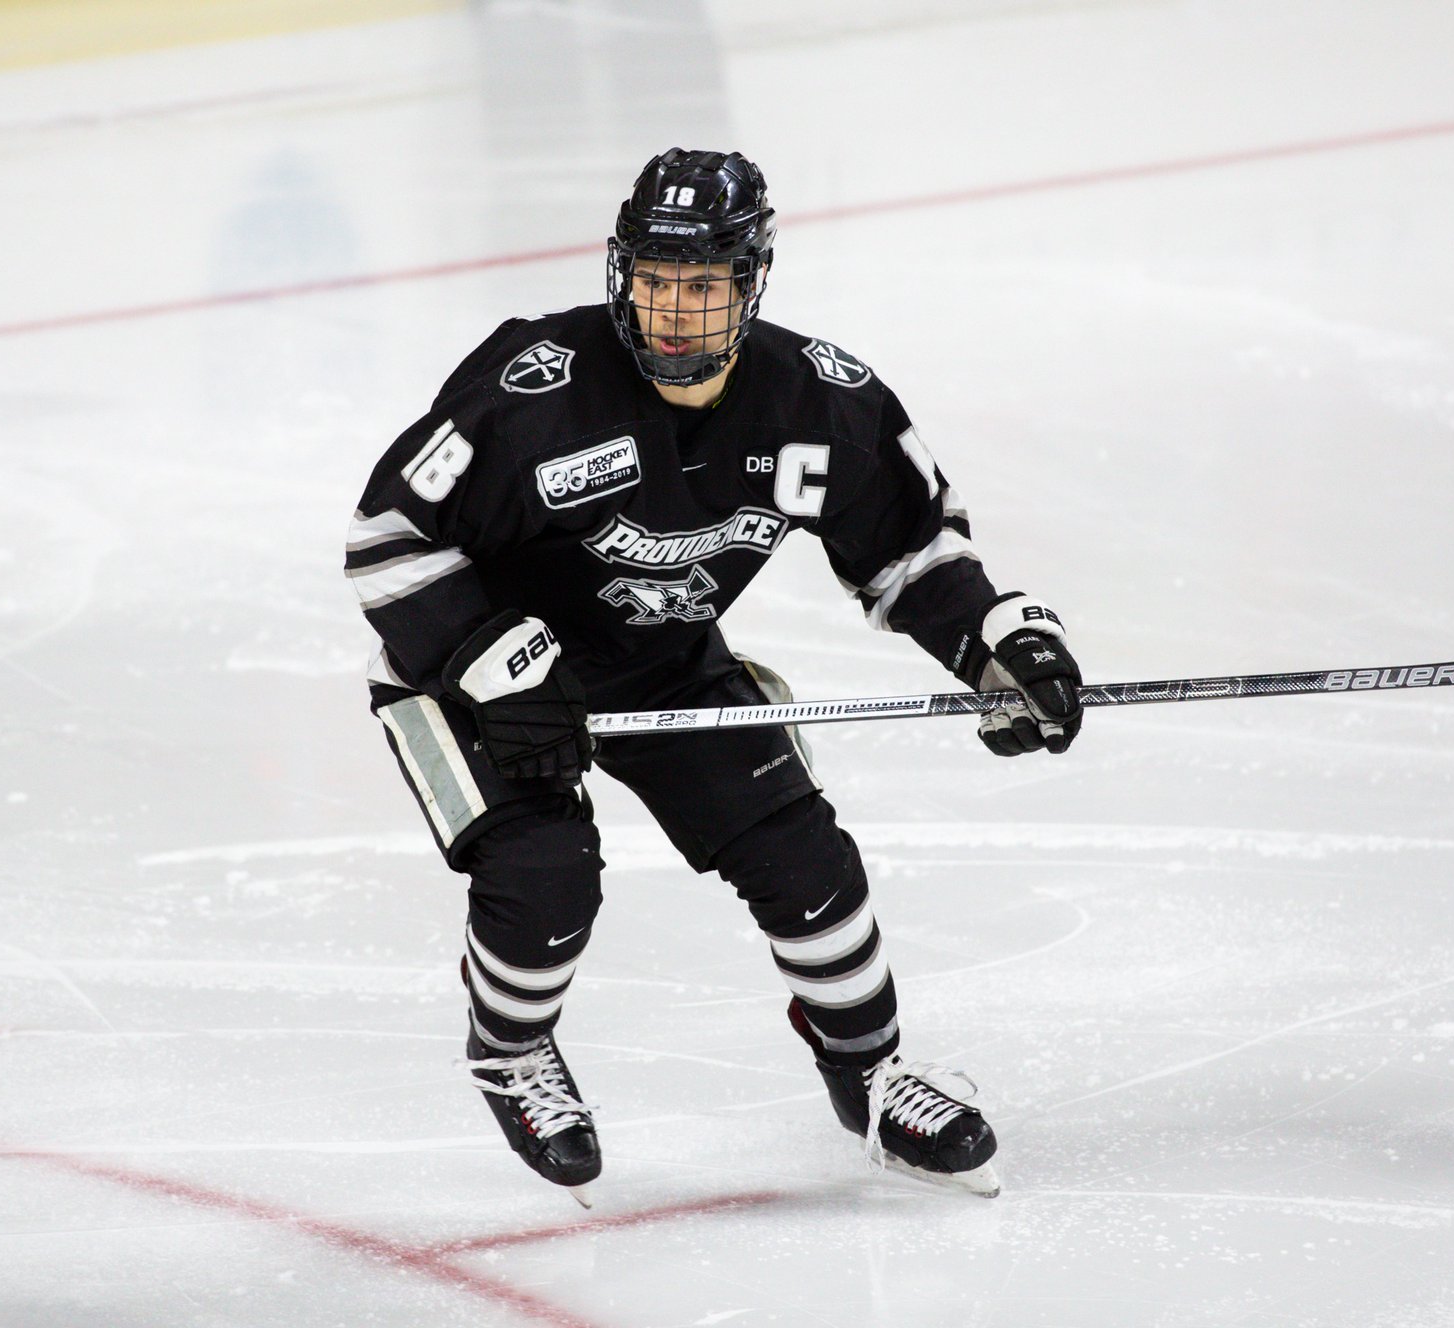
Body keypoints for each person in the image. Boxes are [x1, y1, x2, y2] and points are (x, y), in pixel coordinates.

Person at [344, 148, 1084, 1203]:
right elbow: (388, 542)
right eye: (655, 281)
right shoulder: (531, 386)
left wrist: (999, 644)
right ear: (620, 274)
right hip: (469, 673)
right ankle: (509, 1048)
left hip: (660, 662)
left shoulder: (818, 399)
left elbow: (909, 549)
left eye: (702, 286)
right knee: (544, 876)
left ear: (751, 279)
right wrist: (492, 664)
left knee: (805, 857)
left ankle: (870, 1073)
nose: (674, 312)